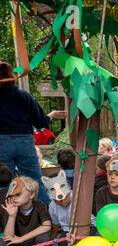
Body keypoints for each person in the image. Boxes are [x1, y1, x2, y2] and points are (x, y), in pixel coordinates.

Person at [0, 61, 66, 205]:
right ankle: (47, 218)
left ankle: (7, 220)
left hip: (2, 143)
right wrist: (53, 114)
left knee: (4, 183)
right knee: (36, 182)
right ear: (12, 75)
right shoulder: (25, 96)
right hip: (25, 142)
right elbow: (41, 122)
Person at [0, 176, 51, 246]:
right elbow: (8, 236)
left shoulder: (39, 205)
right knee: (2, 243)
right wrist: (12, 216)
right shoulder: (11, 208)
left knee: (44, 236)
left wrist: (22, 239)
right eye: (12, 195)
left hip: (33, 243)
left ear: (31, 194)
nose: (14, 198)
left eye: (18, 195)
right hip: (16, 245)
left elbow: (47, 226)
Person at [44, 170, 96, 245]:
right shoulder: (52, 206)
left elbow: (93, 222)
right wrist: (51, 242)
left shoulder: (79, 199)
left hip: (88, 228)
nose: (61, 200)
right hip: (67, 232)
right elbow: (55, 225)